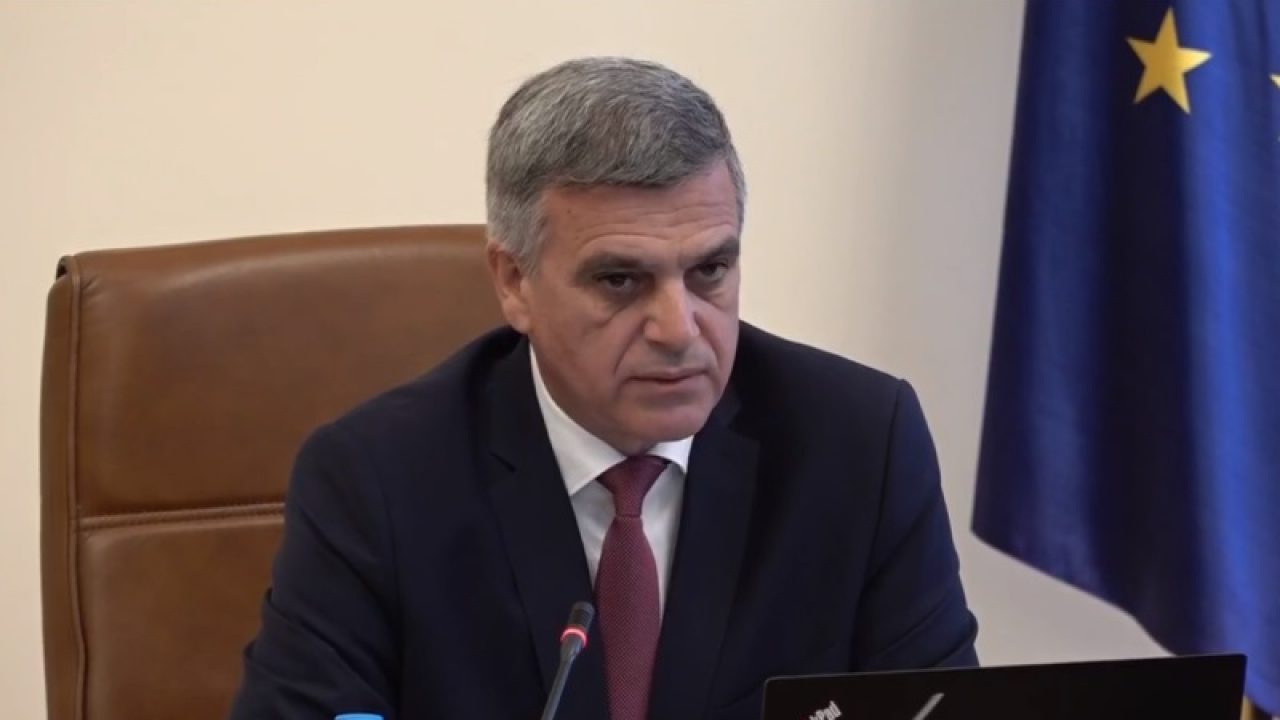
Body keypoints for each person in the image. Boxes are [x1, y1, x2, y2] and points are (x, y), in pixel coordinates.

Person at [231, 56, 977, 720]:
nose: (679, 328)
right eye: (621, 280)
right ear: (514, 282)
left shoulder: (858, 444)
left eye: (710, 271)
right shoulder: (378, 479)